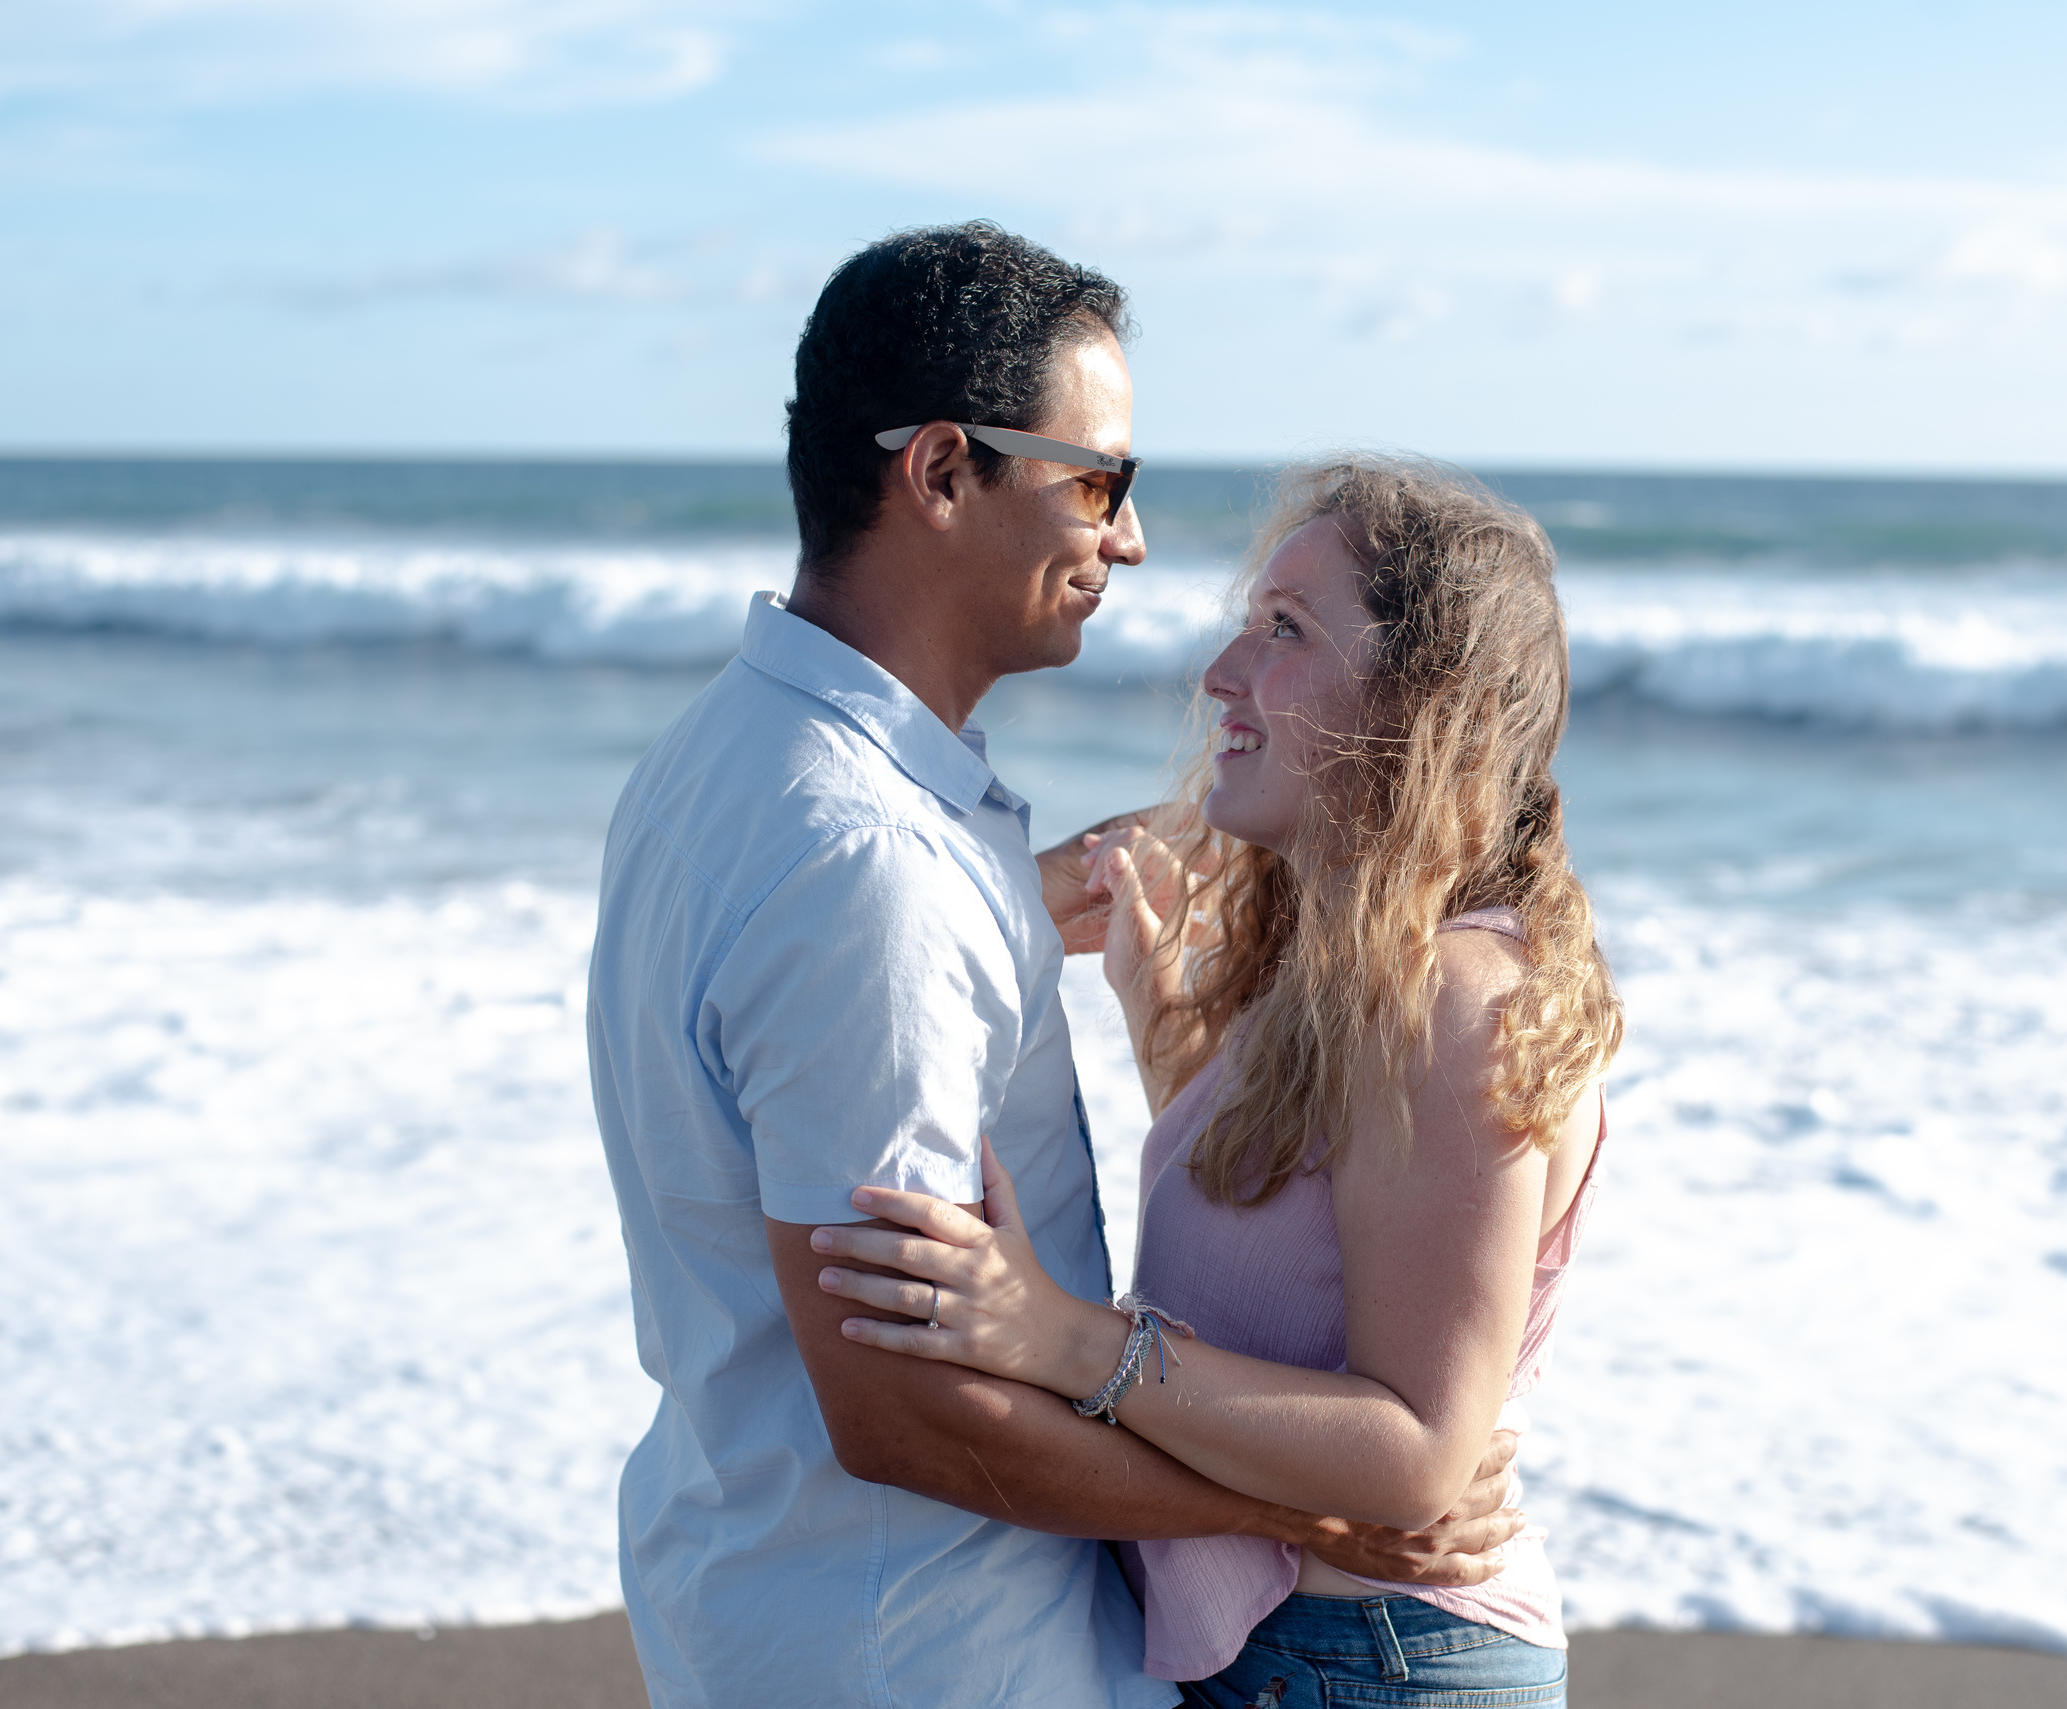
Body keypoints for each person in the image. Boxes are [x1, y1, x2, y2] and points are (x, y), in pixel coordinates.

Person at [584, 228, 1525, 1709]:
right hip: (926, 1652)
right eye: (1097, 481)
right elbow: (904, 1411)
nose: (1128, 540)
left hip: (767, 1592)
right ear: (942, 472)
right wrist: (1312, 1516)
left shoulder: (726, 758)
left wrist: (1008, 920)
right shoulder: (870, 866)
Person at [809, 456, 1624, 1706]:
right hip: (1310, 1659)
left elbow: (1414, 1452)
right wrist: (1174, 1051)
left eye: (1284, 629)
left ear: (1417, 701)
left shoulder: (1459, 994)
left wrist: (1060, 1334)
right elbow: (1302, 1266)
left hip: (1375, 1663)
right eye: (1249, 621)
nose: (1221, 673)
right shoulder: (1347, 974)